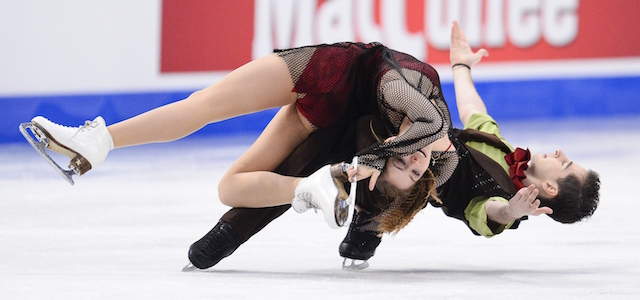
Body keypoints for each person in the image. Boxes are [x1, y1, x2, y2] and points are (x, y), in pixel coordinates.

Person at [183, 21, 601, 270]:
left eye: (567, 167)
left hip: (416, 175)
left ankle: (367, 224)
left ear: (548, 191)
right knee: (310, 154)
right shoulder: (505, 149)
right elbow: (473, 110)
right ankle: (230, 231)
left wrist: (514, 209)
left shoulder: (505, 205)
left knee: (394, 179)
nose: (562, 156)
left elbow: (490, 215)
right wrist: (460, 65)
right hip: (409, 133)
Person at [23, 37, 451, 231]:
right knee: (205, 113)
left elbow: (419, 128)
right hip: (339, 91)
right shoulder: (438, 137)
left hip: (330, 76)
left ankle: (308, 186)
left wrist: (357, 167)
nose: (414, 158)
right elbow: (437, 139)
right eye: (415, 166)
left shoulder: (411, 111)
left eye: (402, 163)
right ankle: (100, 142)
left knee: (214, 139)